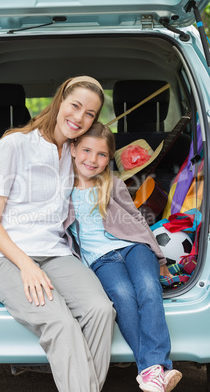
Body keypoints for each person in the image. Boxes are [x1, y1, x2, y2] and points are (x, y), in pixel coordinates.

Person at [0, 77, 116, 392]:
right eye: (75, 106)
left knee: (100, 310)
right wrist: (27, 266)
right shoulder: (14, 144)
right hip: (5, 256)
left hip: (55, 252)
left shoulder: (76, 152)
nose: (80, 118)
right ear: (60, 100)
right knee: (61, 324)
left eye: (90, 114)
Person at [64, 122, 182, 392]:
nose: (93, 160)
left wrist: (161, 259)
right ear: (72, 149)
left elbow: (138, 222)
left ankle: (152, 367)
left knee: (149, 288)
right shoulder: (62, 189)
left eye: (102, 154)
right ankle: (155, 372)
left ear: (109, 158)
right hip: (101, 260)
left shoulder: (112, 184)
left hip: (134, 247)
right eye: (86, 150)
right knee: (123, 296)